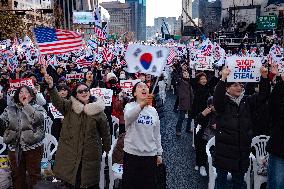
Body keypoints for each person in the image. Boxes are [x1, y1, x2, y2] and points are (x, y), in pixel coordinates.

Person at [44, 74, 111, 189]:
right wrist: (51, 87)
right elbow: (57, 101)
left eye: (86, 90)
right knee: (71, 181)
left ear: (89, 92)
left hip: (90, 153)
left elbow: (105, 133)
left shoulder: (98, 111)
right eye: (80, 91)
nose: (84, 93)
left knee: (87, 182)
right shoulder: (69, 106)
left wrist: (107, 151)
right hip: (70, 151)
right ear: (76, 95)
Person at [213, 66, 270, 189]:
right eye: (235, 85)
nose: (239, 87)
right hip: (224, 152)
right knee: (221, 183)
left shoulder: (247, 101)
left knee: (238, 183)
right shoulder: (222, 103)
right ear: (227, 89)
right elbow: (217, 98)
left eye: (240, 85)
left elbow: (263, 96)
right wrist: (223, 78)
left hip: (241, 152)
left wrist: (264, 77)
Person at [0, 85, 46, 189]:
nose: (23, 94)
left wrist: (26, 105)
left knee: (34, 176)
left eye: (26, 92)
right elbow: (2, 124)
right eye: (21, 92)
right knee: (17, 176)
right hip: (14, 148)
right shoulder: (9, 109)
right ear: (17, 95)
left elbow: (39, 120)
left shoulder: (38, 107)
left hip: (33, 148)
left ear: (31, 95)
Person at [122, 82, 163, 189]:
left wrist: (159, 153)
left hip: (150, 154)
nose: (144, 88)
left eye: (146, 87)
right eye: (140, 87)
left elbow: (157, 134)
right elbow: (128, 117)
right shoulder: (129, 106)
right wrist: (142, 105)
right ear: (135, 93)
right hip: (131, 154)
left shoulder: (153, 111)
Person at [267, 74, 284, 189]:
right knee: (276, 185)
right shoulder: (280, 90)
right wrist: (282, 83)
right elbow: (273, 106)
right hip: (280, 150)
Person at [194, 96, 217, 177]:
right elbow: (197, 121)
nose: (216, 107)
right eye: (213, 105)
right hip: (205, 135)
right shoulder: (207, 112)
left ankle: (212, 165)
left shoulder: (221, 114)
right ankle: (201, 165)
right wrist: (203, 114)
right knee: (201, 146)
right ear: (209, 105)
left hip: (216, 137)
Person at [175, 71, 194, 136]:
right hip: (183, 101)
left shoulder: (190, 81)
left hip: (190, 101)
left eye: (187, 73)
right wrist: (175, 70)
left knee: (190, 117)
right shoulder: (180, 81)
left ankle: (188, 128)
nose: (186, 74)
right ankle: (178, 130)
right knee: (181, 117)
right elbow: (176, 77)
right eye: (185, 73)